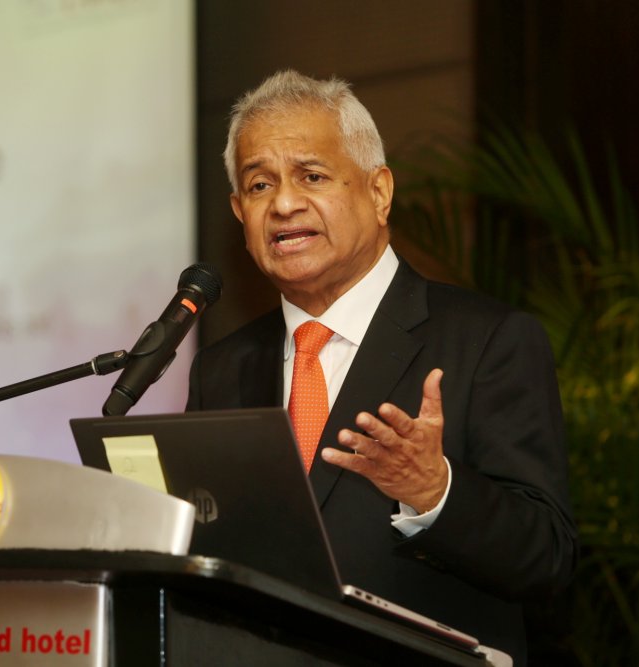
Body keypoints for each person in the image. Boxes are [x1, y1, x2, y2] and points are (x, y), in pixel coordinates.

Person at [186, 69, 578, 664]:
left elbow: (546, 558)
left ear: (378, 192)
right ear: (240, 213)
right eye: (260, 185)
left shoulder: (487, 340)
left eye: (311, 176)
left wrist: (436, 491)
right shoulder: (220, 370)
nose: (284, 203)